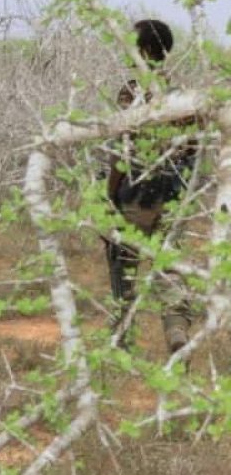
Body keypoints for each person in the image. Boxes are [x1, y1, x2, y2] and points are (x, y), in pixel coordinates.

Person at [105, 19, 197, 353]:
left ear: (142, 50)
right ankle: (176, 334)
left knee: (123, 265)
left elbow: (121, 150)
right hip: (175, 195)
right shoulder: (184, 97)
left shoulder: (131, 94)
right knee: (169, 267)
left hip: (136, 193)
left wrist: (109, 194)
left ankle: (122, 342)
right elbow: (192, 151)